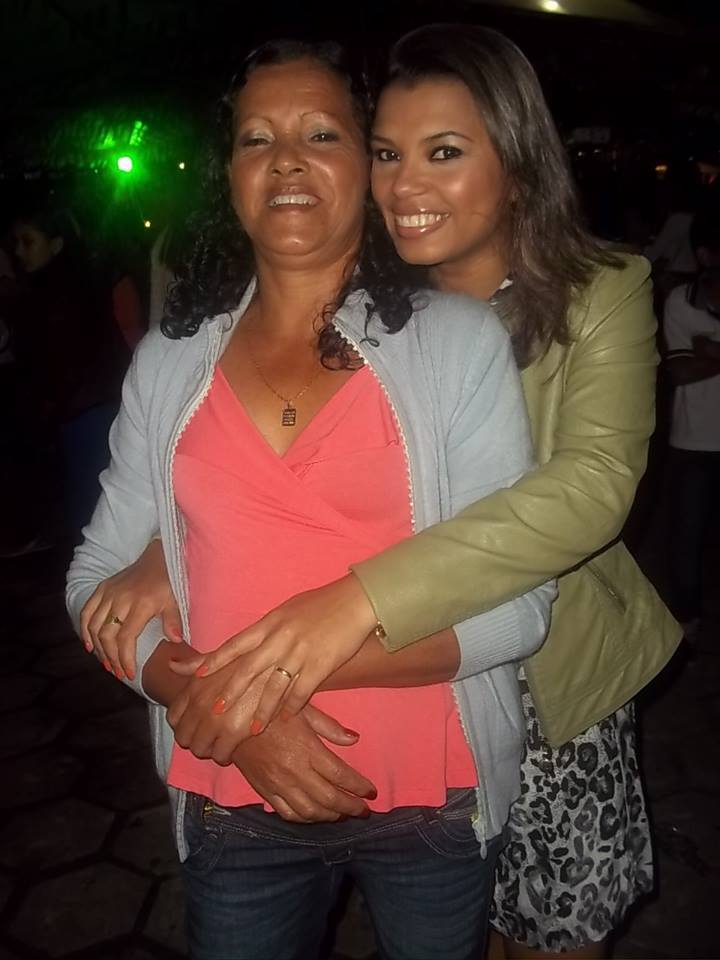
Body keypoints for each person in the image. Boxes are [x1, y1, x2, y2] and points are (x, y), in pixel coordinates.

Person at [80, 25, 680, 958]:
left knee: (554, 932)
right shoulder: (252, 337)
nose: (407, 185)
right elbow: (127, 546)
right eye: (391, 153)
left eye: (443, 152)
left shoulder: (561, 304)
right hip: (318, 746)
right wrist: (173, 547)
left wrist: (315, 632)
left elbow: (586, 492)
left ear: (517, 165)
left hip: (546, 673)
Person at [11, 204, 129, 541]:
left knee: (93, 510)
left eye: (28, 242)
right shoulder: (53, 285)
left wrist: (48, 403)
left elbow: (67, 361)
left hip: (88, 412)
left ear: (55, 244)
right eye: (16, 243)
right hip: (83, 408)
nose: (18, 252)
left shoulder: (63, 291)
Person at [664, 205, 720, 641]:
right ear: (705, 255)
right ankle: (687, 627)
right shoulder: (680, 302)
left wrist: (710, 350)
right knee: (687, 539)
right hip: (695, 441)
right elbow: (680, 371)